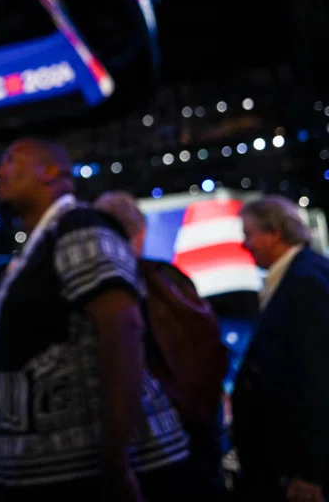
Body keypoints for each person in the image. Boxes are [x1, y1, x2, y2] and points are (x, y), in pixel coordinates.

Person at [0, 139, 190, 502]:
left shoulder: (77, 225)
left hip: (86, 477)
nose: (0, 170)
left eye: (13, 160)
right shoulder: (45, 239)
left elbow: (123, 327)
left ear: (52, 172)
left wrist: (116, 459)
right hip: (51, 472)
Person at [95, 190, 228, 500]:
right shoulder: (171, 283)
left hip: (134, 450)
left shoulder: (93, 294)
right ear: (140, 233)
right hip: (187, 446)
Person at [232, 195, 329, 502]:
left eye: (249, 234)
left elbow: (315, 378)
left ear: (274, 232)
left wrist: (309, 470)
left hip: (301, 469)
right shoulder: (305, 272)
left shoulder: (304, 282)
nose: (245, 244)